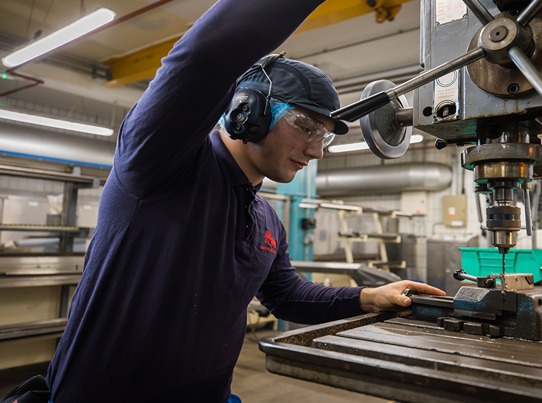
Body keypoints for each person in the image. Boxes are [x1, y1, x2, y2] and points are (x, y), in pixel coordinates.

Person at [40, 1, 445, 402]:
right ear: (247, 112)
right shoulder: (161, 165)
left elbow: (286, 295)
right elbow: (205, 57)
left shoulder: (267, 219)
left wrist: (365, 297)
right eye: (306, 126)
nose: (317, 150)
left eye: (325, 135)